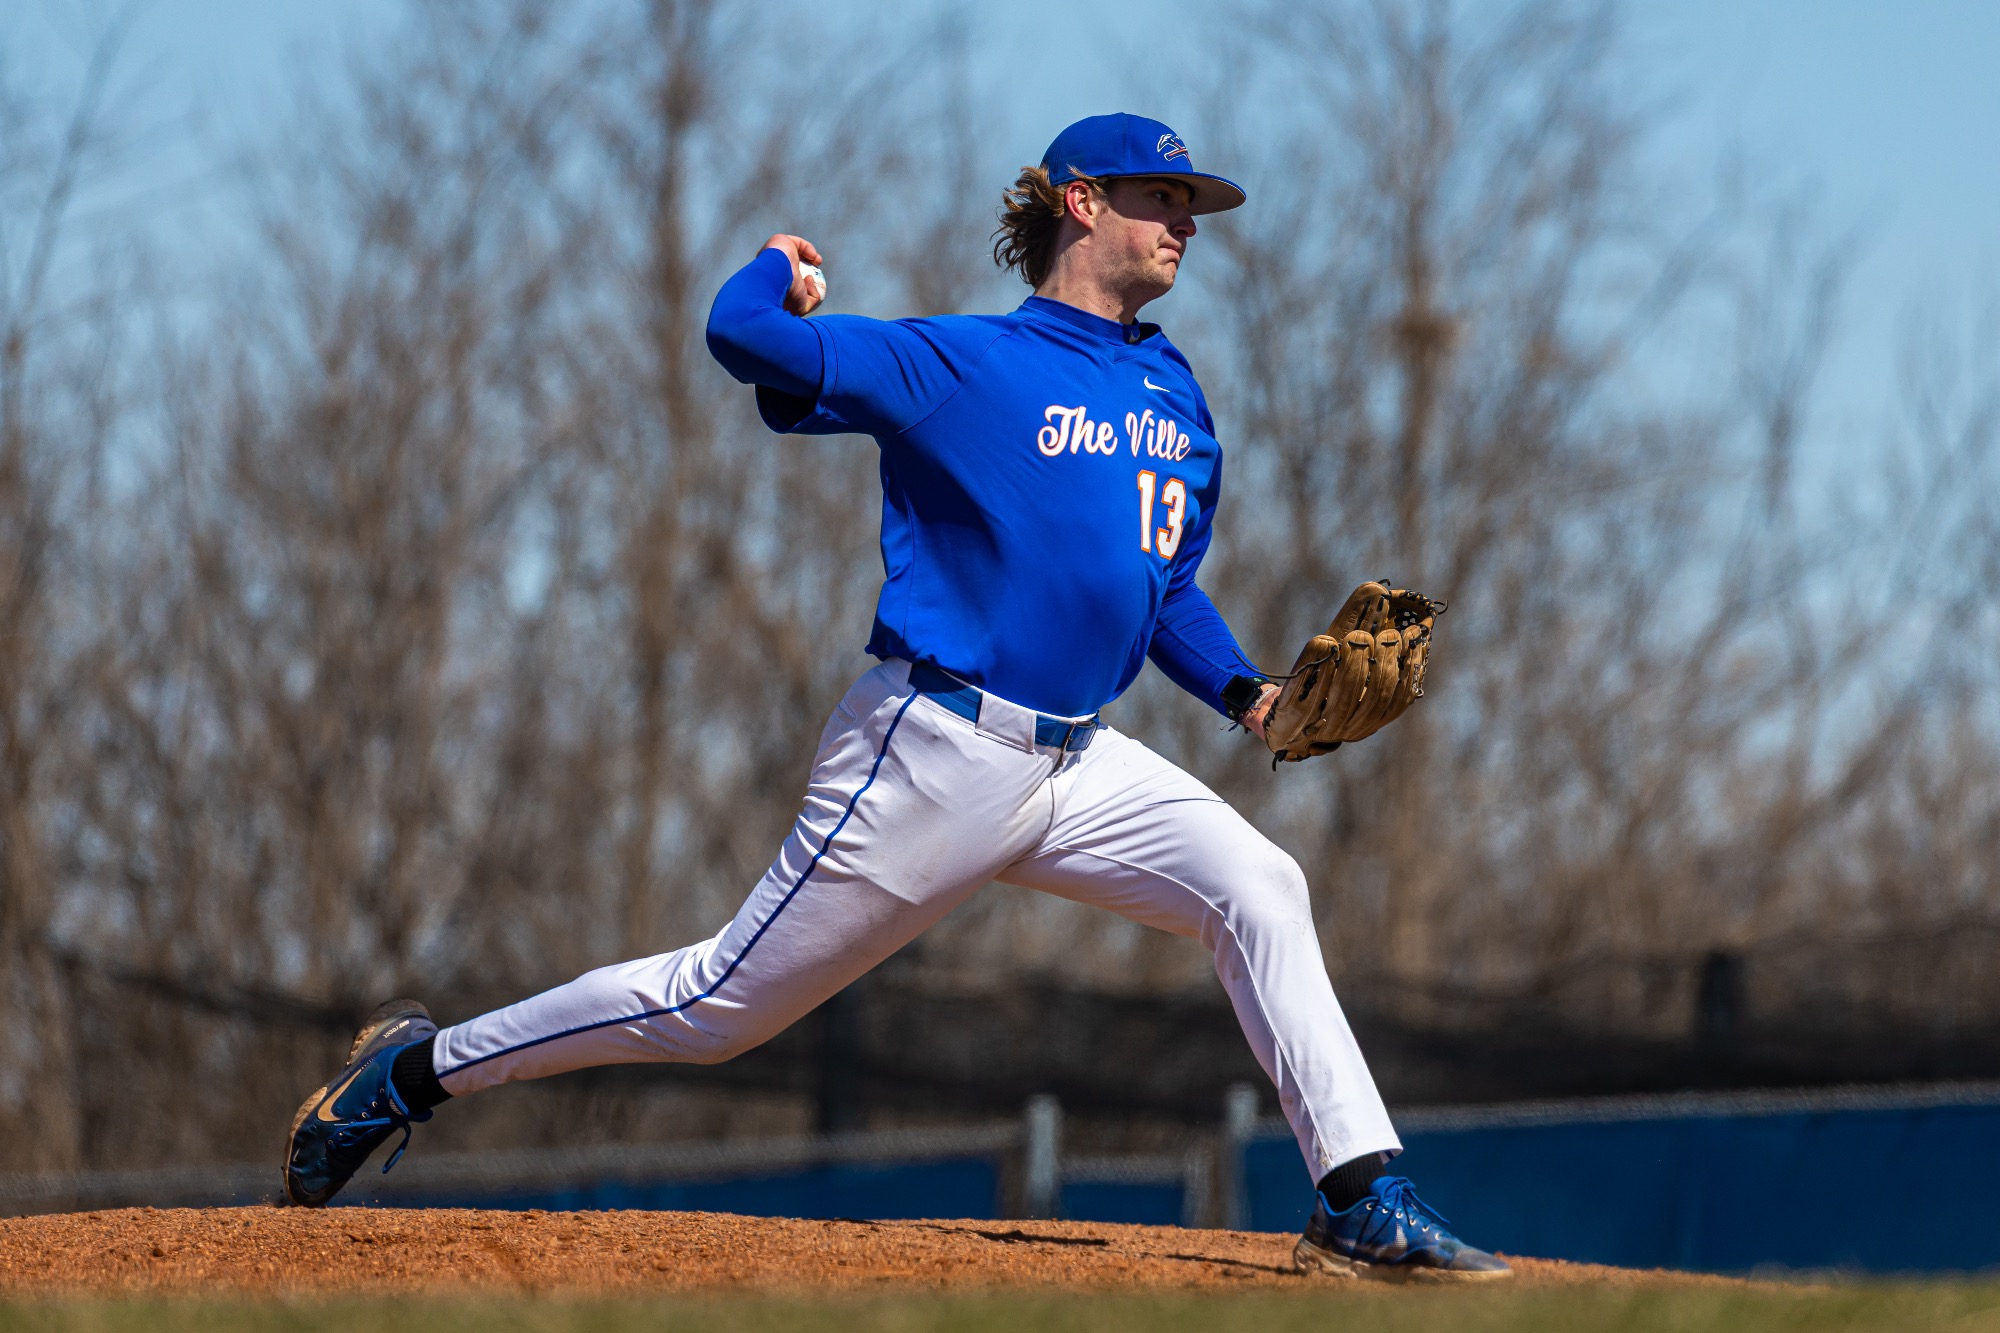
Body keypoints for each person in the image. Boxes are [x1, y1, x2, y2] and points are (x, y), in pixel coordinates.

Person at [282, 113, 1508, 1282]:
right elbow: (739, 337)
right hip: (934, 749)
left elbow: (1159, 583)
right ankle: (411, 1074)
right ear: (1082, 204)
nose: (1183, 222)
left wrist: (1247, 693)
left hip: (1078, 766)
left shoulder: (1174, 395)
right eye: (1159, 198)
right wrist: (774, 266)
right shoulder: (960, 362)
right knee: (716, 1006)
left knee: (1259, 884)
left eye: (1191, 205)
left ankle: (1357, 1197)